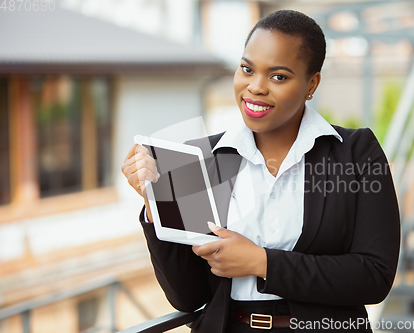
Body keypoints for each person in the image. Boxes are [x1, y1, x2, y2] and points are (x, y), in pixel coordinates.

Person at [121, 9, 400, 333]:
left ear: (312, 84)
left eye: (278, 76)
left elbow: (374, 275)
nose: (255, 87)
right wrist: (158, 204)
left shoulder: (355, 153)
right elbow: (187, 297)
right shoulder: (199, 159)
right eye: (247, 69)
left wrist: (261, 262)